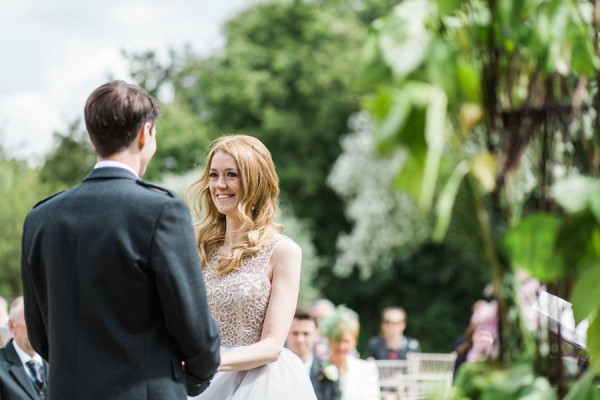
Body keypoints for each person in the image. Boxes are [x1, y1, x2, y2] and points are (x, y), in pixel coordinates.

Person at [21, 80, 221, 400]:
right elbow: (194, 328)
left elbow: (39, 334)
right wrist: (193, 378)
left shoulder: (41, 218)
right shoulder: (161, 211)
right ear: (146, 134)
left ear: (91, 138)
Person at [185, 134, 317, 399]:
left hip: (260, 383)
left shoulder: (284, 251)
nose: (219, 184)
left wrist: (209, 361)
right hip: (197, 383)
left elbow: (272, 345)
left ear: (255, 181)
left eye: (231, 175)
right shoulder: (196, 245)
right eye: (213, 175)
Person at [321, 306, 380, 400]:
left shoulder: (367, 369)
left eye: (346, 341)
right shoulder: (319, 369)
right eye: (337, 340)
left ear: (355, 341)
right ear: (329, 340)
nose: (341, 346)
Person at [287, 307, 341, 400]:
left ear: (316, 334)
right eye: (295, 333)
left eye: (306, 334)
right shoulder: (273, 371)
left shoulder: (328, 372)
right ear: (286, 334)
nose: (300, 339)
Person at [0, 296, 48, 399]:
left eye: (43, 319)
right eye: (31, 320)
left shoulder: (58, 363)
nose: (40, 326)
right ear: (12, 326)